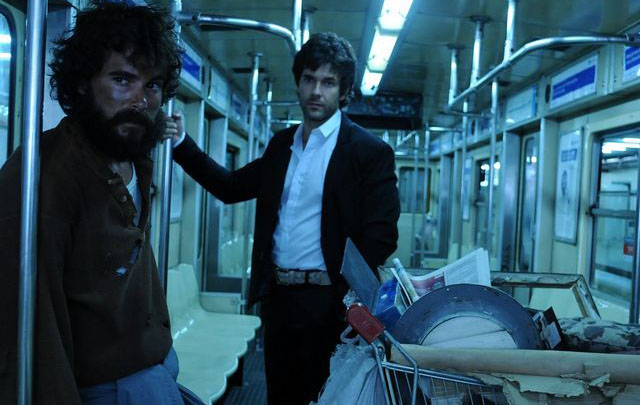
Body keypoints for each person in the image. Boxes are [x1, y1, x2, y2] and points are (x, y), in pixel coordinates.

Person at [166, 32, 400, 404]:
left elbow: (382, 235)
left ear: (344, 91)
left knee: (323, 397)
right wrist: (181, 143)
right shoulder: (281, 145)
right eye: (309, 79)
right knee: (280, 396)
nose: (316, 91)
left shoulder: (368, 152)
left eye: (328, 82)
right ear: (298, 83)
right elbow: (231, 187)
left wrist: (345, 297)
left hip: (329, 303)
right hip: (279, 298)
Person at [0, 2, 199, 404]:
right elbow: (33, 322)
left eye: (153, 85)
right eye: (122, 80)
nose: (140, 101)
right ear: (82, 84)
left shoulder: (134, 158)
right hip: (104, 387)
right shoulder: (47, 172)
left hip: (156, 367)